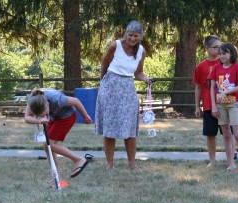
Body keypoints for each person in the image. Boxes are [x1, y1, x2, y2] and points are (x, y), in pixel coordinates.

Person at [94, 20, 153, 169]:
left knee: (130, 128)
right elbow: (104, 65)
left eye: (136, 36)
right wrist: (103, 84)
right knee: (110, 127)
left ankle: (132, 163)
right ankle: (109, 164)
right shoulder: (116, 45)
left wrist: (145, 79)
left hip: (128, 88)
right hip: (110, 86)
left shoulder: (141, 51)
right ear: (125, 33)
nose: (133, 39)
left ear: (140, 36)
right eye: (130, 35)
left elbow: (138, 72)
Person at [24, 88, 93, 180]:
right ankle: (56, 177)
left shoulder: (56, 99)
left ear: (48, 105)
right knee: (47, 146)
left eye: (44, 114)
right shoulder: (33, 100)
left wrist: (85, 116)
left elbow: (76, 101)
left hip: (67, 116)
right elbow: (27, 118)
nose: (43, 116)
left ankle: (79, 159)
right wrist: (39, 120)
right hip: (54, 117)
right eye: (39, 115)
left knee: (51, 144)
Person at [210, 42, 238, 170]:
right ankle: (231, 164)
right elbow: (212, 87)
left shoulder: (237, 67)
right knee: (226, 134)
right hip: (220, 105)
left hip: (234, 104)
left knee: (237, 134)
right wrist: (214, 106)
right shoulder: (216, 68)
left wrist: (226, 92)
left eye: (224, 53)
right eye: (220, 54)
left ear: (231, 53)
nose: (221, 56)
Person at [193, 35, 222, 168]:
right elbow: (198, 87)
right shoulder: (200, 67)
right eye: (215, 47)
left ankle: (231, 158)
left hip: (225, 104)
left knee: (228, 133)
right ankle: (212, 160)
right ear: (207, 48)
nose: (219, 49)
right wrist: (197, 106)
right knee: (210, 134)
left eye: (220, 46)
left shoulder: (224, 62)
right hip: (209, 106)